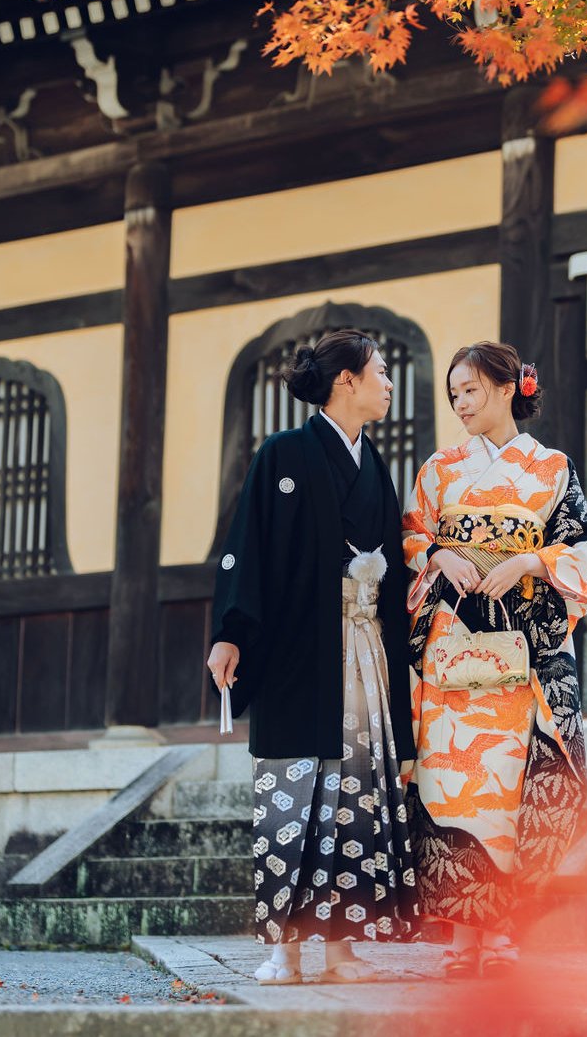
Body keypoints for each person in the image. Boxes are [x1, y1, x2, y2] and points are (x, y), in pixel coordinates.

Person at [207, 329, 418, 985]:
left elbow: (398, 570)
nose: (388, 382)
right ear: (346, 381)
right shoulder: (284, 455)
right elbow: (248, 547)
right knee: (293, 796)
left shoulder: (375, 464)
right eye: (380, 371)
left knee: (354, 796)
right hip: (300, 650)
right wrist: (231, 632)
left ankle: (342, 947)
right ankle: (285, 948)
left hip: (363, 652)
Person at [403, 341, 587, 977]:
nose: (460, 404)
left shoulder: (550, 468)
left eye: (471, 391)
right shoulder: (437, 471)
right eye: (453, 394)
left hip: (524, 653)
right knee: (454, 792)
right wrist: (437, 555)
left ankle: (506, 932)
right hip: (453, 652)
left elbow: (583, 543)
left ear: (509, 387)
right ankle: (464, 939)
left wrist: (528, 559)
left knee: (516, 789)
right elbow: (408, 534)